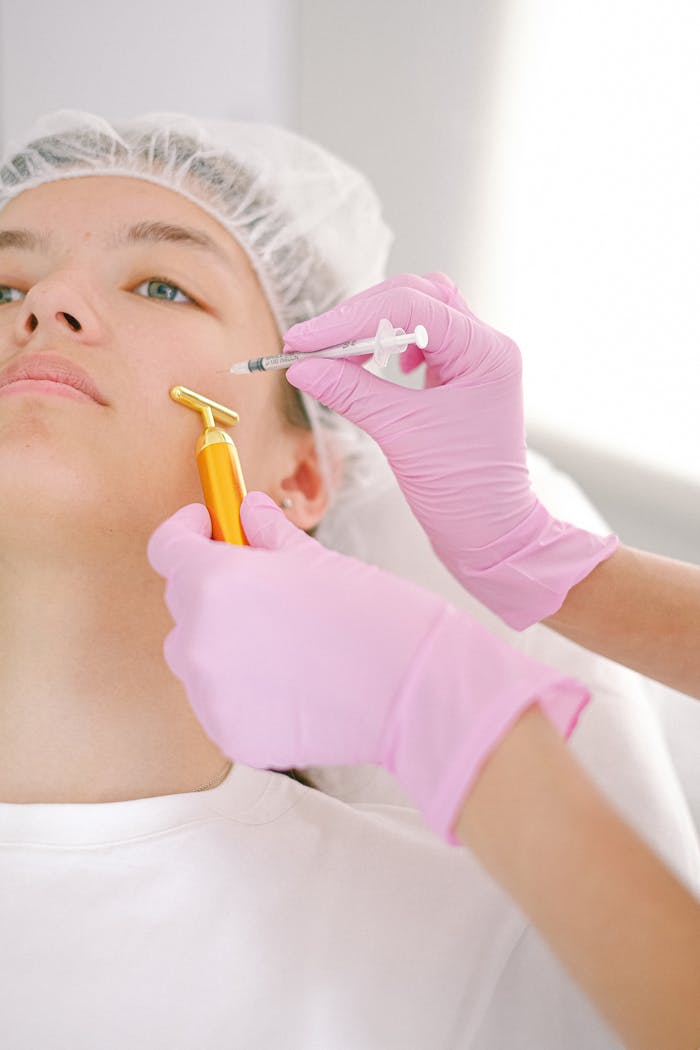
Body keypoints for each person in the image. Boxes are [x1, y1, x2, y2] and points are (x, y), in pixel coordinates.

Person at [0, 110, 696, 1050]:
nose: (47, 306)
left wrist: (523, 599)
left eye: (163, 284)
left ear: (299, 478)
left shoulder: (484, 959)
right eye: (2, 288)